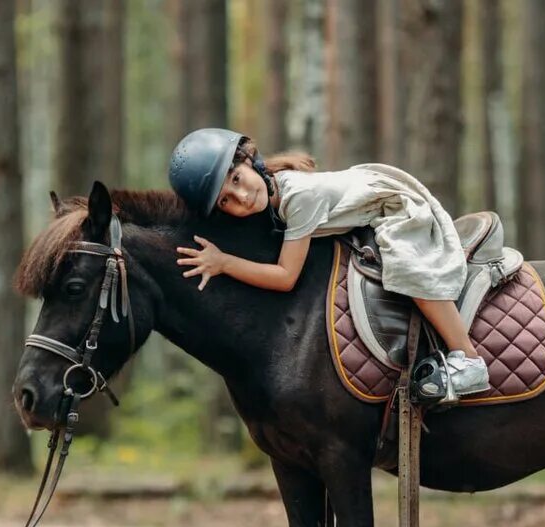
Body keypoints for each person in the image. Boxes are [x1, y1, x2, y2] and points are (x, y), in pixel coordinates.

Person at [168, 127, 490, 399]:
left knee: (408, 267)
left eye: (237, 178)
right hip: (363, 198)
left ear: (250, 161)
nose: (242, 197)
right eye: (226, 200)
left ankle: (468, 359)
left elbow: (285, 277)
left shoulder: (298, 197)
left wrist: (224, 263)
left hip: (393, 206)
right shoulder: (275, 192)